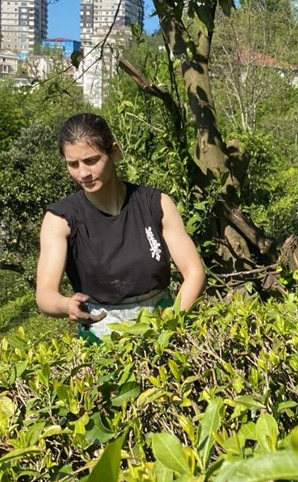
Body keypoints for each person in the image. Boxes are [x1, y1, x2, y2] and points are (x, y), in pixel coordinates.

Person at [35, 113, 206, 343]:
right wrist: (66, 304)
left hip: (164, 326)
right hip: (100, 337)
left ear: (114, 152)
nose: (83, 173)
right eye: (73, 164)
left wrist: (167, 328)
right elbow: (45, 294)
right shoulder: (60, 219)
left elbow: (194, 272)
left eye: (91, 160)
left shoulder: (156, 204)